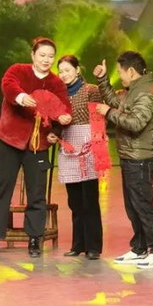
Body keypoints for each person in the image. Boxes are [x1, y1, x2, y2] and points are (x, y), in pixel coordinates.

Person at [0, 37, 72, 258]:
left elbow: (63, 108)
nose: (46, 60)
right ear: (33, 55)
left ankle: (35, 239)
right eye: (42, 55)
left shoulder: (56, 83)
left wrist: (59, 127)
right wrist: (20, 97)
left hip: (38, 145)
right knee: (1, 189)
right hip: (10, 140)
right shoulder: (18, 70)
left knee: (36, 193)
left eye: (50, 56)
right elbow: (8, 85)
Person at [93, 51, 153, 269]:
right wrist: (103, 80)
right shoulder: (133, 91)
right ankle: (140, 248)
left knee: (143, 206)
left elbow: (135, 123)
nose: (120, 76)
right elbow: (115, 100)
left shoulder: (146, 94)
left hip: (140, 159)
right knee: (133, 206)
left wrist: (108, 113)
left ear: (132, 72)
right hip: (130, 156)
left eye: (120, 72)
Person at [55, 55, 103, 260]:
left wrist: (97, 145)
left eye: (67, 70)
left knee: (89, 199)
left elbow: (98, 119)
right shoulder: (59, 94)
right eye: (61, 71)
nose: (64, 74)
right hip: (68, 146)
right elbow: (54, 120)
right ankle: (78, 245)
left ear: (77, 70)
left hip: (88, 146)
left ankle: (93, 247)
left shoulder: (91, 90)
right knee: (74, 200)